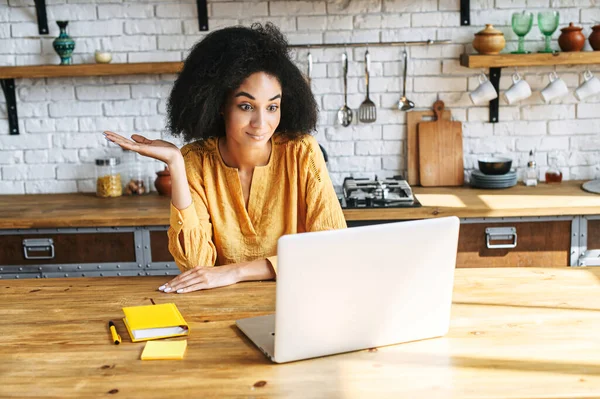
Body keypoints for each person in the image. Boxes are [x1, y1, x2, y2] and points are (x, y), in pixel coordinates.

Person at [104, 23, 346, 294]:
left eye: (272, 107)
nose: (261, 123)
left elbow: (331, 251)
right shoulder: (195, 161)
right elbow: (196, 265)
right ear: (219, 105)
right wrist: (175, 163)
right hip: (220, 307)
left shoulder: (301, 152)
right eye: (246, 106)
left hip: (297, 301)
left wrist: (235, 271)